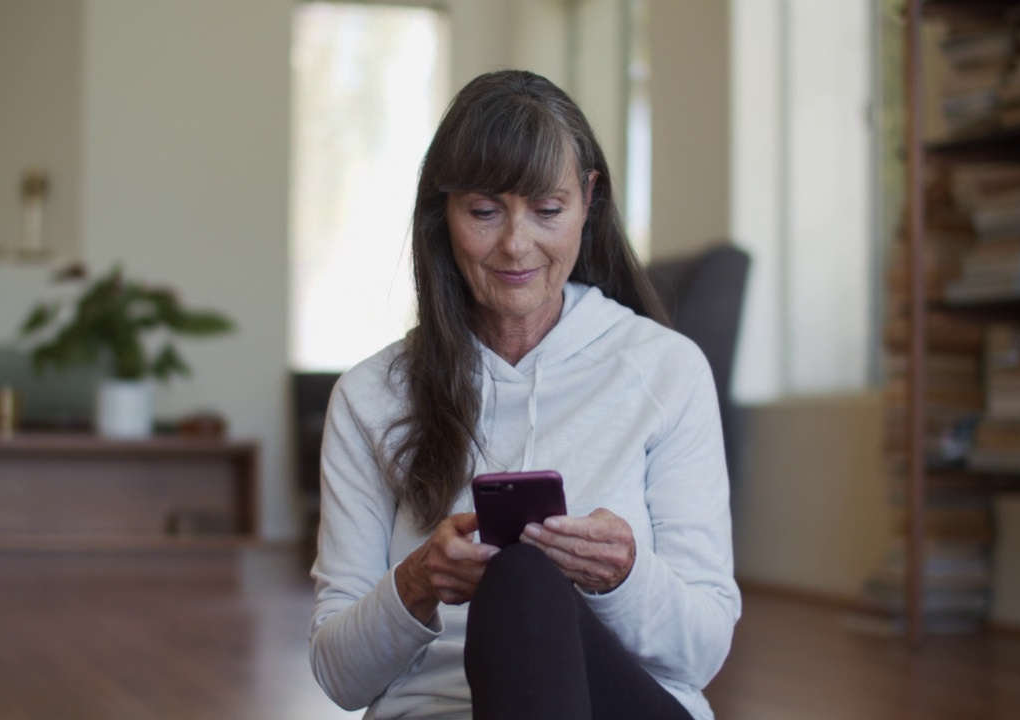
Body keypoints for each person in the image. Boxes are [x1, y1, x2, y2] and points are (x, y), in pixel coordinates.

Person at [309, 69, 740, 720]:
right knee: (520, 582)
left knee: (524, 582)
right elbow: (340, 678)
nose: (516, 244)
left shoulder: (666, 370)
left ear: (588, 200)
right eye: (484, 211)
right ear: (442, 212)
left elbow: (702, 653)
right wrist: (418, 582)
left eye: (547, 209)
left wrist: (624, 576)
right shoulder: (371, 397)